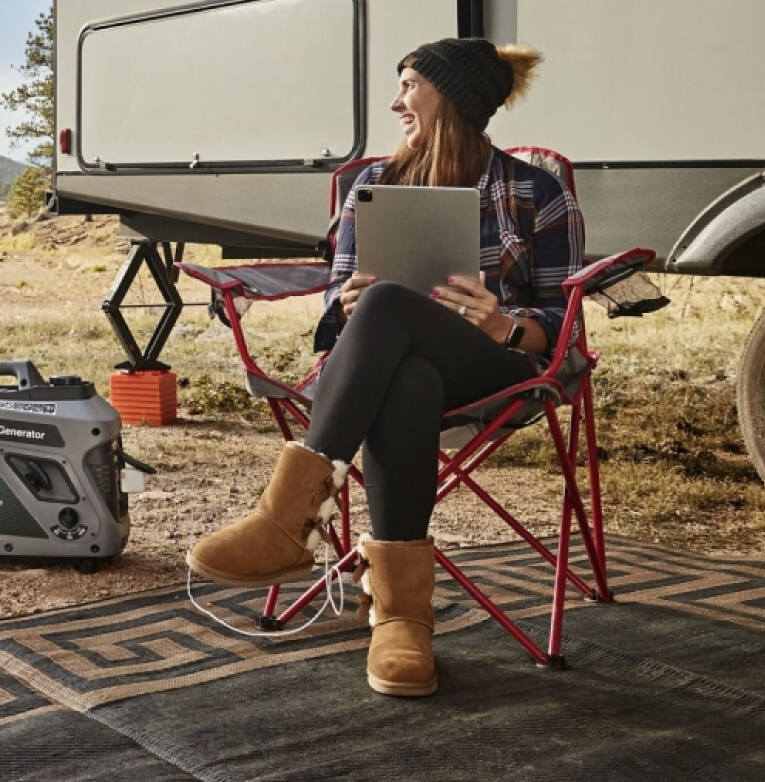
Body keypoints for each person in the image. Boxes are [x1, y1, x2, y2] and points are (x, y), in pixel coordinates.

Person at [186, 37, 582, 698]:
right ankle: (401, 619)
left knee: (394, 304)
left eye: (409, 86)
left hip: (495, 367)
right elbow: (338, 310)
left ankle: (286, 520)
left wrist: (501, 323)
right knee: (406, 375)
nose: (397, 102)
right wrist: (344, 305)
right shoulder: (375, 187)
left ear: (451, 97)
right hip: (395, 371)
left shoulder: (534, 192)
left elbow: (559, 330)